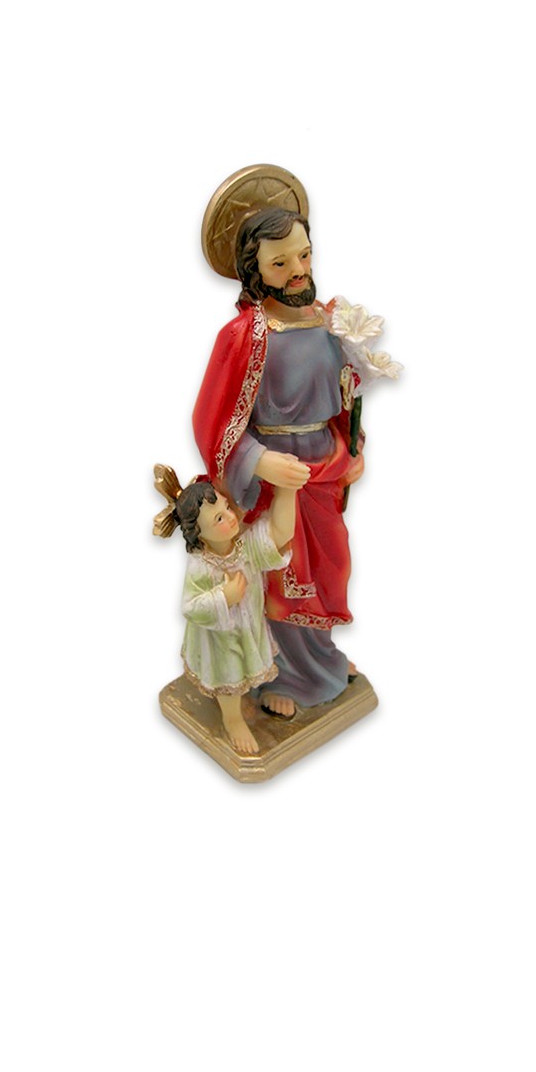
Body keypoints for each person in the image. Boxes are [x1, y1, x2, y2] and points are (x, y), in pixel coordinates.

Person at [193, 206, 364, 719]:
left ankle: (321, 661)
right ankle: (284, 673)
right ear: (255, 270)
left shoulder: (328, 321)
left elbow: (344, 395)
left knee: (330, 567)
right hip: (274, 481)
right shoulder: (245, 336)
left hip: (323, 472)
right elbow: (213, 421)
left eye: (304, 256)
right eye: (280, 263)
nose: (298, 271)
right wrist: (260, 460)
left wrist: (352, 447)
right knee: (281, 575)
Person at [172, 475, 301, 755]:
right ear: (199, 533)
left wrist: (288, 490)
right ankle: (232, 720)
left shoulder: (244, 547)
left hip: (247, 629)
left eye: (227, 507)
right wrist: (223, 597)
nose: (230, 517)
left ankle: (240, 700)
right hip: (219, 639)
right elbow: (189, 606)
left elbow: (279, 535)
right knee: (228, 675)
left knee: (243, 669)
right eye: (218, 518)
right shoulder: (201, 567)